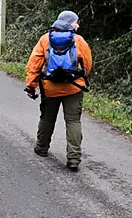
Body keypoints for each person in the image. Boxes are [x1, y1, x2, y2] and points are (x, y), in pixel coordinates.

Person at [25, 11, 93, 171]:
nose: (78, 25)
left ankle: (41, 148)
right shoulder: (79, 40)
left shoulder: (45, 39)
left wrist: (31, 85)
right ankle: (74, 159)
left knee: (47, 118)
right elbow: (87, 65)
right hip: (74, 88)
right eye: (77, 22)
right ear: (70, 23)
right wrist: (78, 79)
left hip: (50, 87)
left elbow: (34, 64)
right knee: (73, 121)